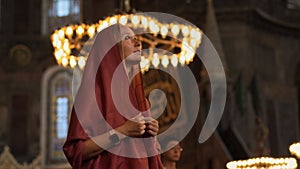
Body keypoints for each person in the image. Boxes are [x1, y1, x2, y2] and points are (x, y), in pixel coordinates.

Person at [63, 23, 164, 169]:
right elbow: (76, 151)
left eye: (136, 38)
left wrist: (152, 136)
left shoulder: (140, 100)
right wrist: (122, 131)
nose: (138, 43)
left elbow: (151, 154)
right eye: (128, 38)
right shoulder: (92, 95)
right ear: (110, 49)